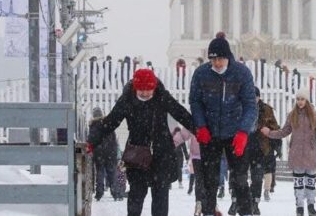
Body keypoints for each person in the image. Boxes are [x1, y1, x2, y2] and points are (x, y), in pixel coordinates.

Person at [87, 68, 194, 216]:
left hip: (161, 152)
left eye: (148, 89)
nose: (145, 93)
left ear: (154, 86)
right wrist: (92, 141)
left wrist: (199, 130)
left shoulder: (162, 96)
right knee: (136, 195)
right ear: (135, 87)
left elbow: (181, 113)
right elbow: (110, 122)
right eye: (141, 90)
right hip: (137, 153)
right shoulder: (127, 100)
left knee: (160, 196)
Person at [189, 36, 258, 216]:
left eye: (220, 59)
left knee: (240, 180)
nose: (217, 63)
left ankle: (246, 213)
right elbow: (195, 102)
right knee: (209, 181)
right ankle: (209, 212)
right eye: (213, 59)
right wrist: (201, 126)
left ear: (228, 57)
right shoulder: (201, 74)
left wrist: (243, 132)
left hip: (235, 134)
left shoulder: (241, 73)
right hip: (210, 135)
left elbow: (251, 105)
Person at [262, 87, 316, 216]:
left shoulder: (314, 116)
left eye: (302, 99)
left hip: (310, 155)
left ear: (307, 100)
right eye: (298, 99)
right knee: (299, 184)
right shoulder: (292, 115)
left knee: (310, 183)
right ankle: (299, 207)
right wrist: (269, 133)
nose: (300, 102)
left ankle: (311, 206)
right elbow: (284, 132)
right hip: (296, 155)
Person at [248, 86, 280, 214]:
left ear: (259, 97)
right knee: (241, 177)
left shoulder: (266, 109)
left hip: (261, 148)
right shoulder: (242, 108)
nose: (253, 99)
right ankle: (243, 200)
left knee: (257, 178)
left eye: (255, 96)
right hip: (244, 147)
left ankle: (255, 202)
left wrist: (269, 132)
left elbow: (275, 127)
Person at [88, 107, 122, 201]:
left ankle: (99, 193)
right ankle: (116, 193)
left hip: (99, 152)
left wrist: (91, 148)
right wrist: (115, 151)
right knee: (112, 172)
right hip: (110, 151)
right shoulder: (108, 123)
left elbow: (91, 140)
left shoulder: (93, 126)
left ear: (94, 115)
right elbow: (114, 139)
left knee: (100, 172)